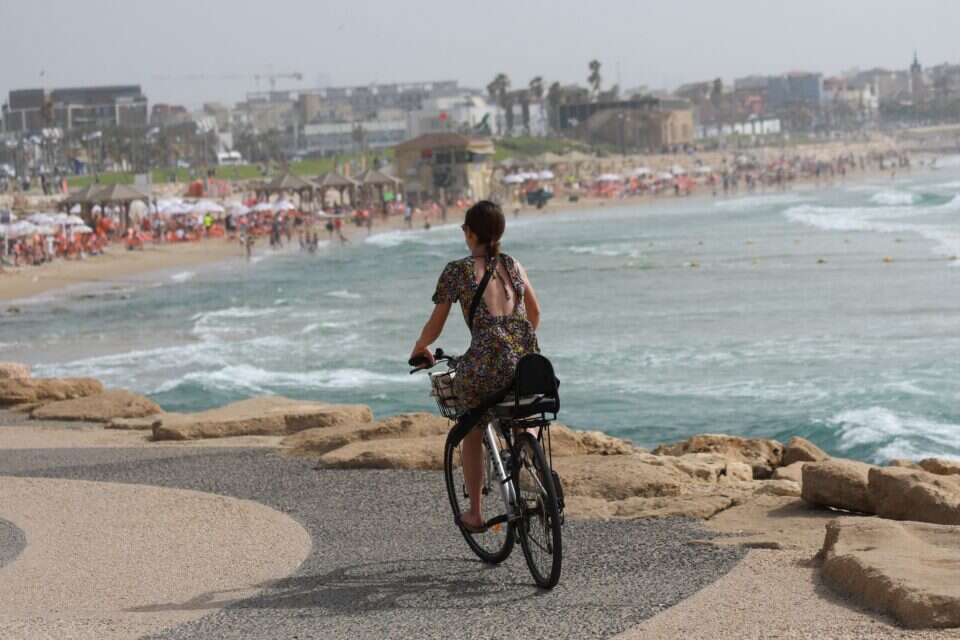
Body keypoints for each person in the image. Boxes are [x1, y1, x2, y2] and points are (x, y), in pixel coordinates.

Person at [409, 200, 541, 533]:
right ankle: (525, 452)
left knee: (471, 424)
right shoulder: (514, 265)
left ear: (469, 233)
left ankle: (476, 513)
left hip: (484, 367)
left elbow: (436, 323)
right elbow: (535, 316)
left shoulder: (458, 270)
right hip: (527, 362)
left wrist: (420, 347)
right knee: (525, 409)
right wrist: (514, 345)